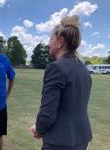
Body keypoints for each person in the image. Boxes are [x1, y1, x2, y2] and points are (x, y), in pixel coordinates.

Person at [30, 15, 92, 150]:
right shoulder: (83, 69)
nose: (48, 44)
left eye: (50, 40)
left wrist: (38, 128)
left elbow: (48, 112)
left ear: (60, 41)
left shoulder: (56, 68)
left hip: (59, 142)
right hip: (81, 138)